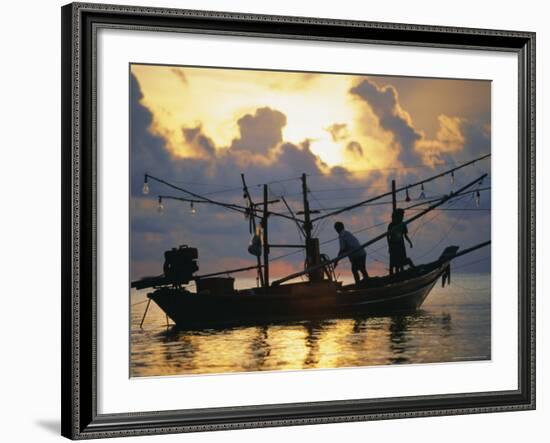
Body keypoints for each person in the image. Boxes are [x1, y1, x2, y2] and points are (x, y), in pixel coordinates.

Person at [387, 208, 415, 275]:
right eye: (401, 216)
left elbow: (405, 235)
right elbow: (388, 236)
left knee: (401, 262)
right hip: (393, 246)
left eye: (402, 216)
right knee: (392, 263)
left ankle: (401, 273)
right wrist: (389, 246)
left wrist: (410, 242)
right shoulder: (391, 225)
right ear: (397, 216)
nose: (402, 217)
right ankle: (392, 277)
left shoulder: (403, 224)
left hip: (400, 245)